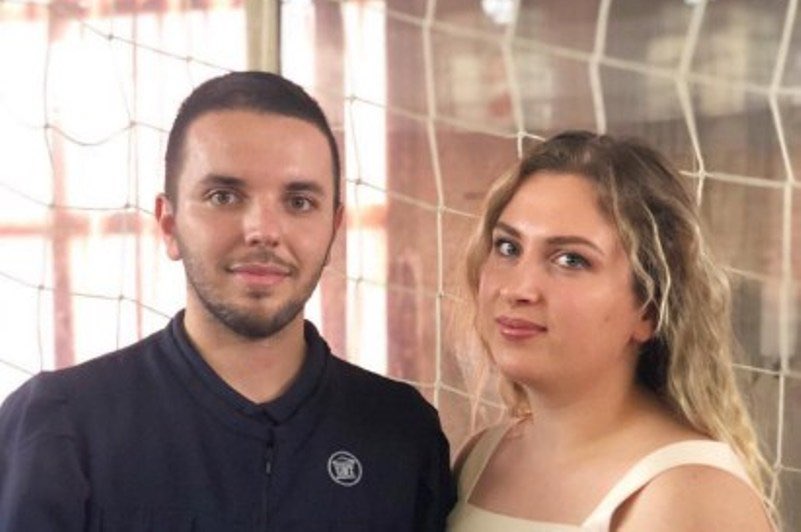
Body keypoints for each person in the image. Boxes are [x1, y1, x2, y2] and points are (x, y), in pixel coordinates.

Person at [0, 71, 455, 531]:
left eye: (299, 202)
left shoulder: (403, 433)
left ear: (334, 230)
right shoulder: (60, 425)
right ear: (169, 224)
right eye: (224, 196)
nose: (264, 230)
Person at [447, 131, 776, 531]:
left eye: (571, 260)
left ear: (649, 308)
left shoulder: (690, 492)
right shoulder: (481, 458)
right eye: (508, 247)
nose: (518, 289)